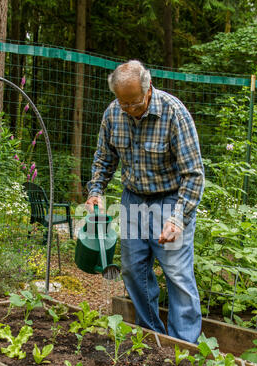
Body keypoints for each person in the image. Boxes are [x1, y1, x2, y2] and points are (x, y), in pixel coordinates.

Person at [85, 60, 204, 344]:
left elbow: (194, 173)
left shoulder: (174, 113)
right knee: (132, 270)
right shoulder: (114, 113)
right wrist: (96, 190)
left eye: (135, 103)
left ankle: (184, 345)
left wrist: (178, 218)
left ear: (148, 88)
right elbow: (104, 158)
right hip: (133, 201)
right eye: (123, 103)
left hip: (169, 201)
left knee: (176, 273)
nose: (129, 110)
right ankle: (152, 337)